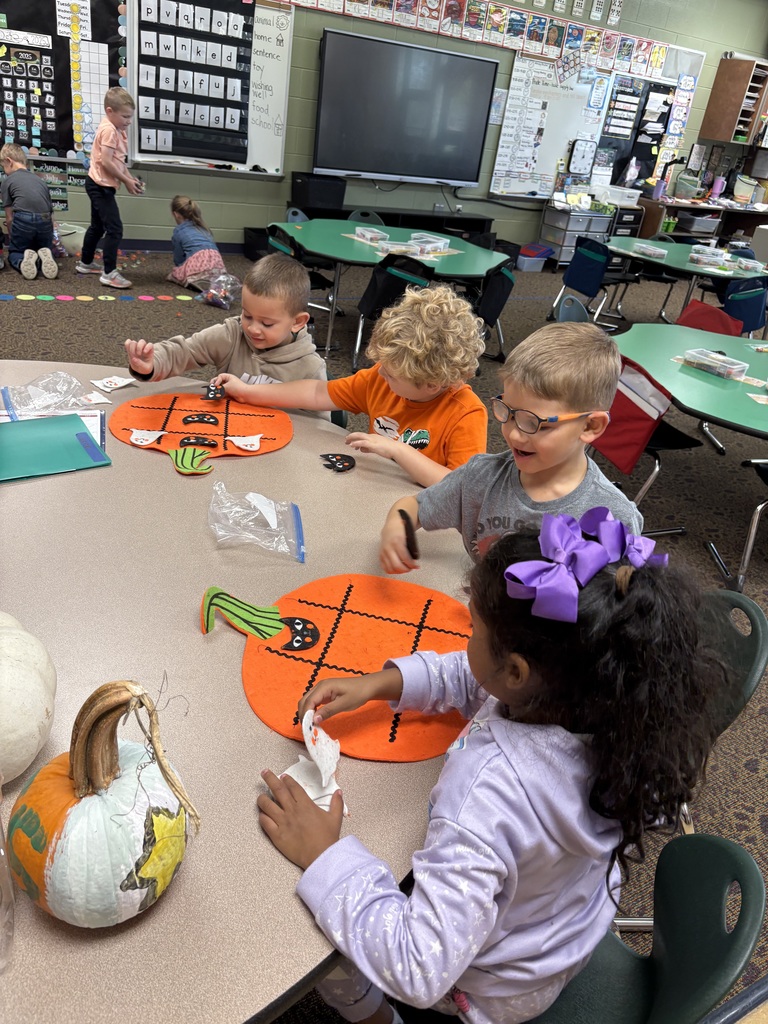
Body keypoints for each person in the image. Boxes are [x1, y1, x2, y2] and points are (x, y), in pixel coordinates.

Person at [257, 510, 724, 1024]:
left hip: (494, 991)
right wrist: (385, 683)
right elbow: (475, 676)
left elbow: (418, 968)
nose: (467, 639)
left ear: (518, 671)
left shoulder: (486, 793)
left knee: (326, 955)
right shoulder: (613, 704)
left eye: (474, 627)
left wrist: (326, 855)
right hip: (561, 932)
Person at [379, 322, 642, 574]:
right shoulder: (481, 477)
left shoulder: (613, 518)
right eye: (508, 411)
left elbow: (620, 604)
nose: (515, 433)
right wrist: (396, 526)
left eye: (535, 423)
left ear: (590, 426)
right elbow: (412, 506)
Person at [211, 284, 487, 488]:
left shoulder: (466, 414)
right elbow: (317, 392)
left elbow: (460, 487)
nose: (382, 376)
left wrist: (398, 450)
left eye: (392, 376)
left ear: (431, 384)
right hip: (372, 488)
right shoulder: (380, 378)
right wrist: (248, 392)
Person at [124, 252, 326, 383]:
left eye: (266, 323)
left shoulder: (310, 368)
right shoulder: (232, 335)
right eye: (247, 315)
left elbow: (319, 430)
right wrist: (152, 364)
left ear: (297, 322)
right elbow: (185, 351)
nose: (253, 328)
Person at [76, 86, 143, 289]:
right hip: (100, 186)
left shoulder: (116, 129)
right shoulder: (109, 131)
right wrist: (126, 180)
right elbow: (106, 162)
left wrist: (130, 179)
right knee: (115, 229)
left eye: (130, 117)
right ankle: (109, 273)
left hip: (99, 184)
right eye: (125, 116)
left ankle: (86, 263)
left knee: (97, 226)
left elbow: (117, 161)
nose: (129, 121)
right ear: (109, 111)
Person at [0, 143, 58, 281]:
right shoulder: (40, 181)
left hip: (23, 219)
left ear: (9, 161)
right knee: (43, 247)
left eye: (3, 167)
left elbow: (9, 218)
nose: (4, 171)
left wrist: (13, 239)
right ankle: (43, 256)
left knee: (16, 251)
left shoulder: (7, 182)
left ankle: (22, 262)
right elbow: (51, 217)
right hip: (44, 220)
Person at [167, 194, 226, 289]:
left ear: (176, 214)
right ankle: (211, 280)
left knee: (174, 274)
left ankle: (196, 280)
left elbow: (179, 258)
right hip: (217, 265)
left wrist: (180, 268)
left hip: (197, 266)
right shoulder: (203, 228)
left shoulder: (179, 231)